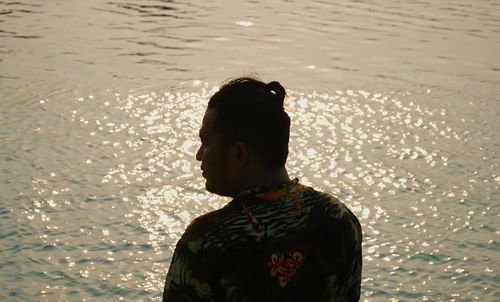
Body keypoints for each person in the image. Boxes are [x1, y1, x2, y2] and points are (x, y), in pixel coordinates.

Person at [163, 77, 362, 301]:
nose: (199, 154)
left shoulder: (207, 241)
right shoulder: (338, 218)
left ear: (239, 155)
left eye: (206, 143)